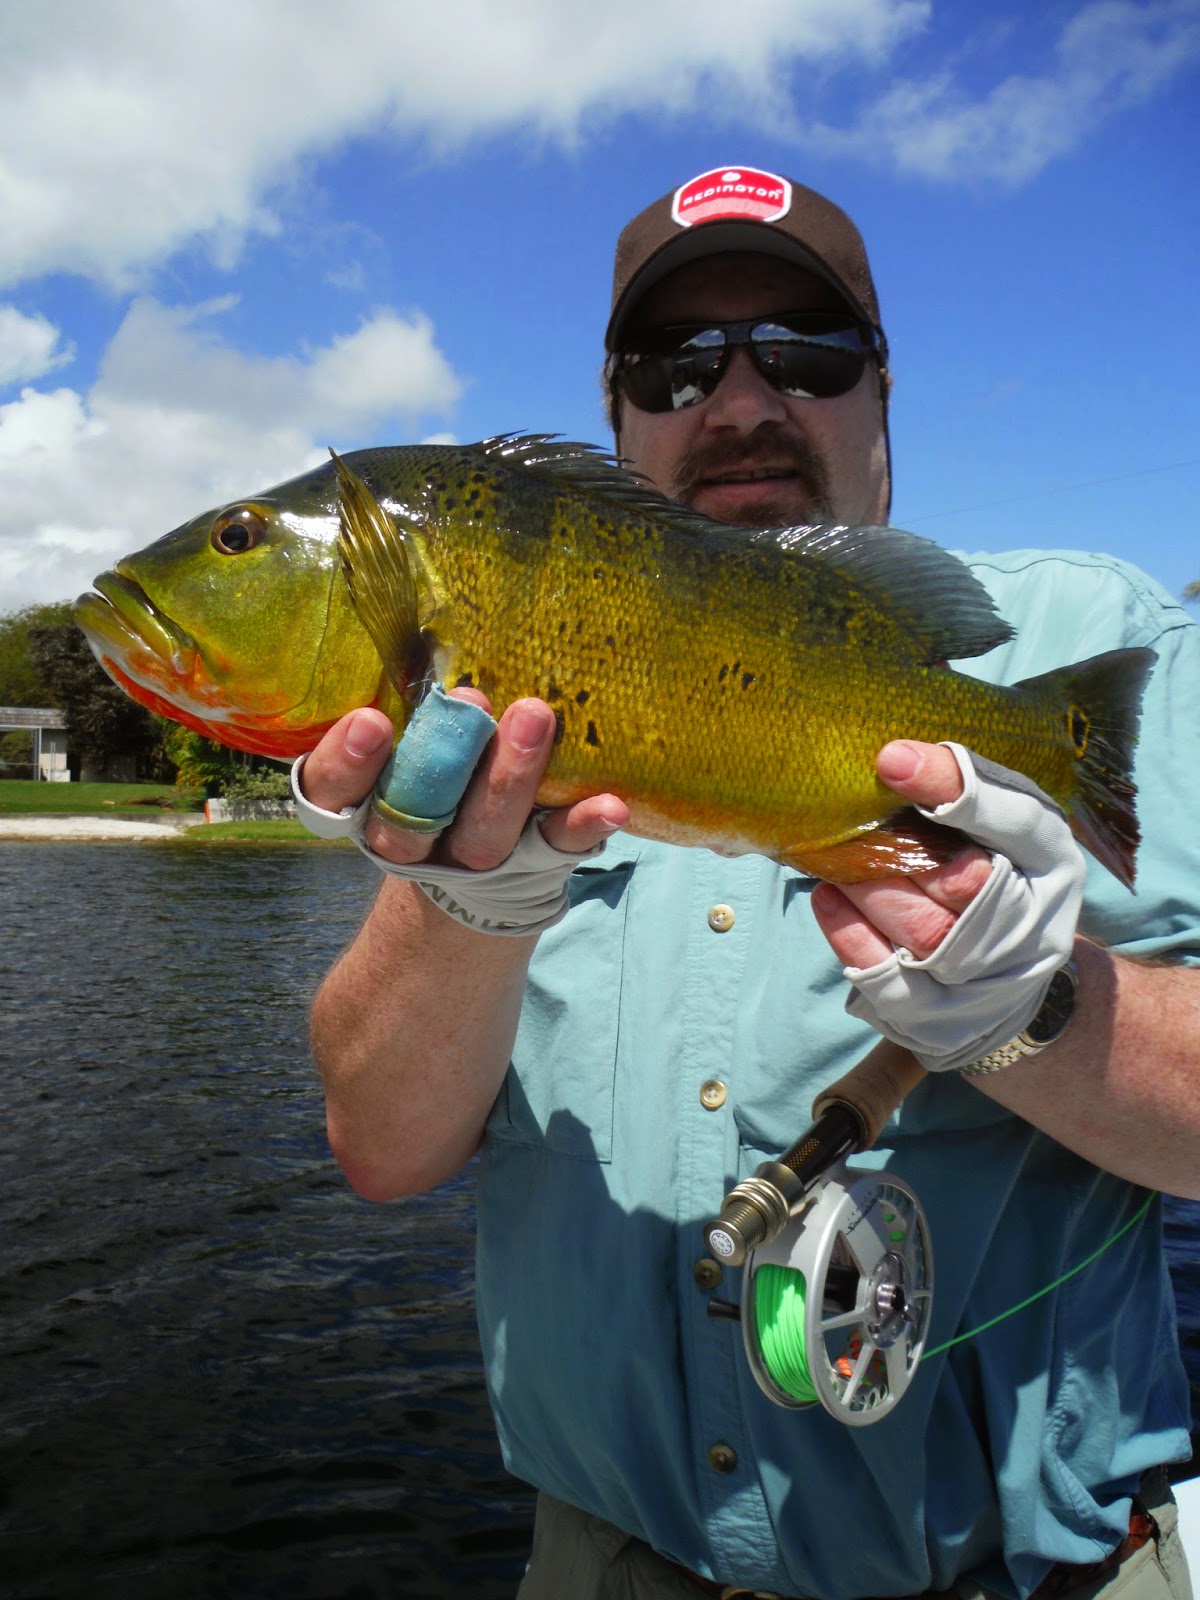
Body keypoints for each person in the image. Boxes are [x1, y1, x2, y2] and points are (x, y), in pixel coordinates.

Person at [294, 165, 1200, 1600]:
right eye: (675, 364)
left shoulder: (1092, 630)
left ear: (882, 387)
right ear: (613, 414)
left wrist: (1039, 1007)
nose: (737, 402)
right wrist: (467, 901)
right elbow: (382, 1151)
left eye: (804, 353)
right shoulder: (497, 714)